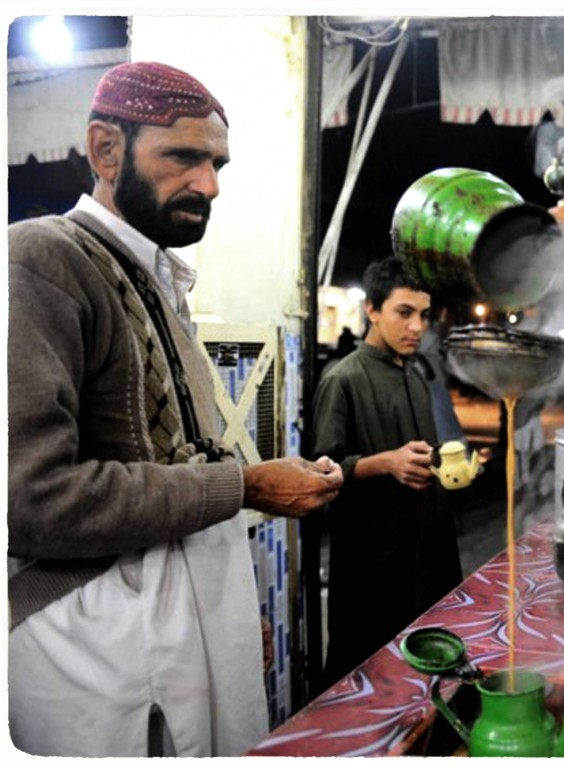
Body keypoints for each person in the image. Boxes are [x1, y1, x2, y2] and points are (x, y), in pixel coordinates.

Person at [6, 61, 344, 757]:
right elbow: (32, 499)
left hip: (181, 628)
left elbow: (170, 461)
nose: (209, 184)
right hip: (99, 651)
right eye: (183, 157)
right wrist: (247, 485)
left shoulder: (157, 276)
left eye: (216, 162)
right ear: (106, 149)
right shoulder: (40, 259)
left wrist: (223, 612)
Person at [311, 257, 463, 686]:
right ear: (373, 310)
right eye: (404, 313)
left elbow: (422, 454)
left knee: (428, 669)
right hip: (372, 564)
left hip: (426, 551)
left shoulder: (416, 375)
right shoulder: (343, 379)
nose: (417, 327)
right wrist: (386, 463)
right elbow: (321, 473)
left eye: (423, 316)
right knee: (368, 675)